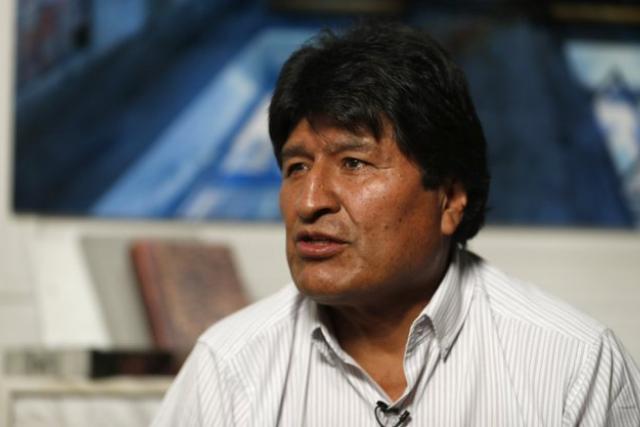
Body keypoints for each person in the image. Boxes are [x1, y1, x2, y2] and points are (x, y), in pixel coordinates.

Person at [153, 22, 640, 426]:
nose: (309, 201)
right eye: (296, 167)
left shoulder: (573, 366)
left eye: (354, 163)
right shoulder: (229, 368)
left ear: (450, 199)